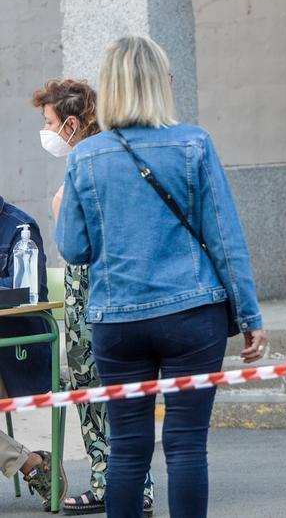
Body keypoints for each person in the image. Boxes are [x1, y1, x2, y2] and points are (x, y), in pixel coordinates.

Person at [56, 36, 268, 518]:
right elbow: (225, 239)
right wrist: (250, 314)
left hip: (118, 320)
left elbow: (73, 248)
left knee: (128, 449)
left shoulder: (85, 158)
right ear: (160, 86)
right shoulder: (194, 144)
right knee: (187, 445)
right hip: (193, 315)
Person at [32, 79, 156, 516]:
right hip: (90, 284)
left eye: (48, 122)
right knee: (93, 384)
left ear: (69, 123)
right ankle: (111, 480)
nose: (44, 132)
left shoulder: (97, 158)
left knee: (108, 384)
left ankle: (127, 485)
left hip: (101, 285)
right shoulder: (92, 157)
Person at [0, 198, 62, 510]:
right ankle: (30, 462)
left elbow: (26, 291)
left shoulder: (20, 229)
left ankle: (32, 464)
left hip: (17, 353)